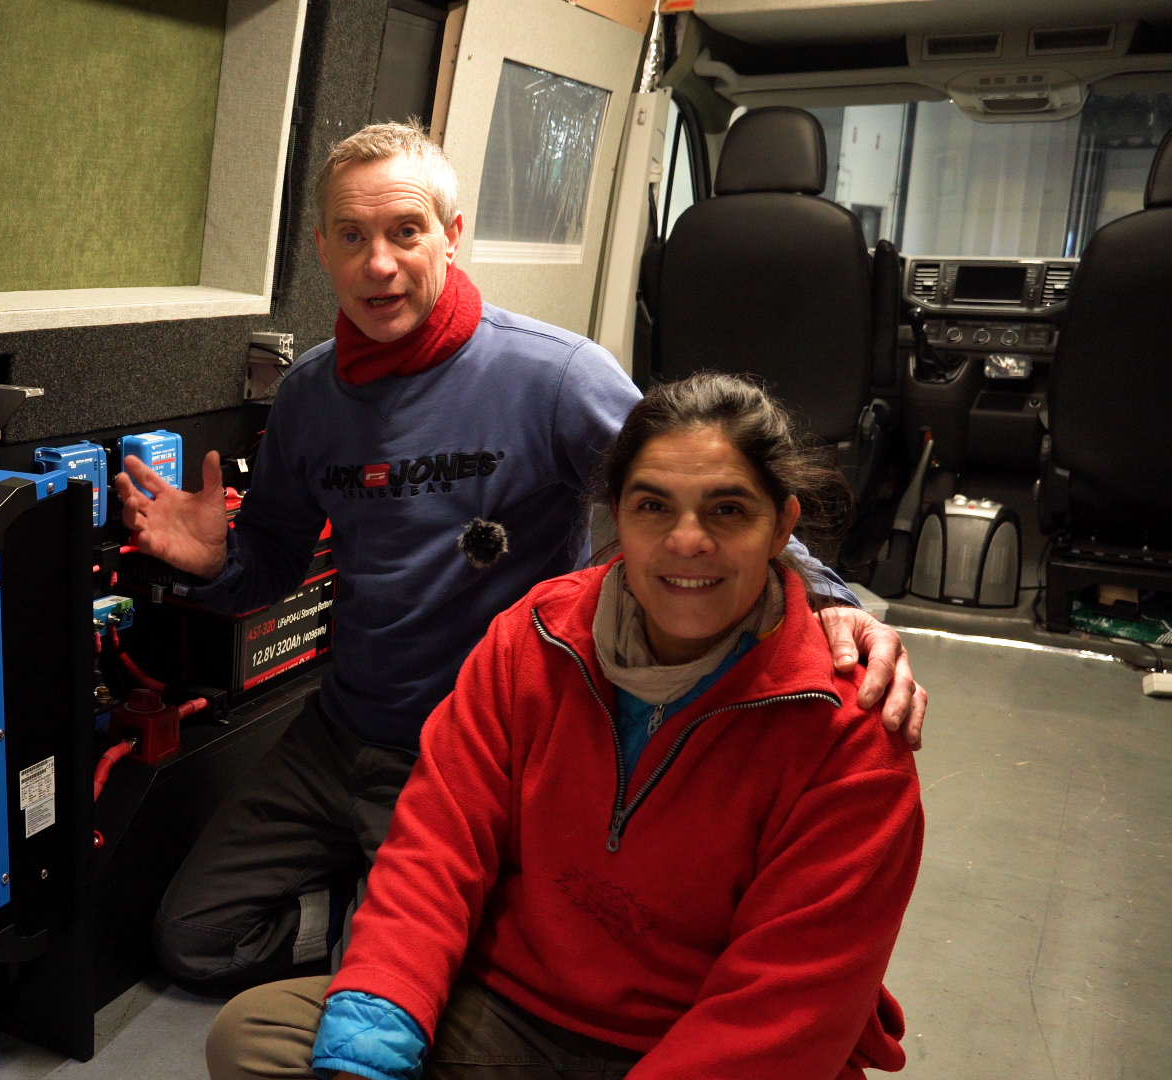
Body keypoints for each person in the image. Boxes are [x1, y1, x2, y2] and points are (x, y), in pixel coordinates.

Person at [115, 121, 927, 992]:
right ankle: (354, 907)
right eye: (351, 237)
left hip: (475, 750)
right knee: (196, 939)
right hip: (339, 732)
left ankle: (386, 920)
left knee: (399, 982)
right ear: (322, 250)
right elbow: (273, 562)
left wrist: (832, 601)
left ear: (451, 235)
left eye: (405, 231)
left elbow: (703, 493)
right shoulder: (311, 394)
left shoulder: (555, 376)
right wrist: (215, 565)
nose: (378, 264)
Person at [205, 372, 924, 1080]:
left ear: (782, 527)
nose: (687, 540)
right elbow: (435, 848)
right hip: (513, 1011)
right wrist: (369, 1059)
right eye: (653, 506)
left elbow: (785, 1011)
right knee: (259, 1036)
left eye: (728, 510)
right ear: (616, 515)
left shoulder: (853, 731)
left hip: (690, 1035)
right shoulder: (534, 635)